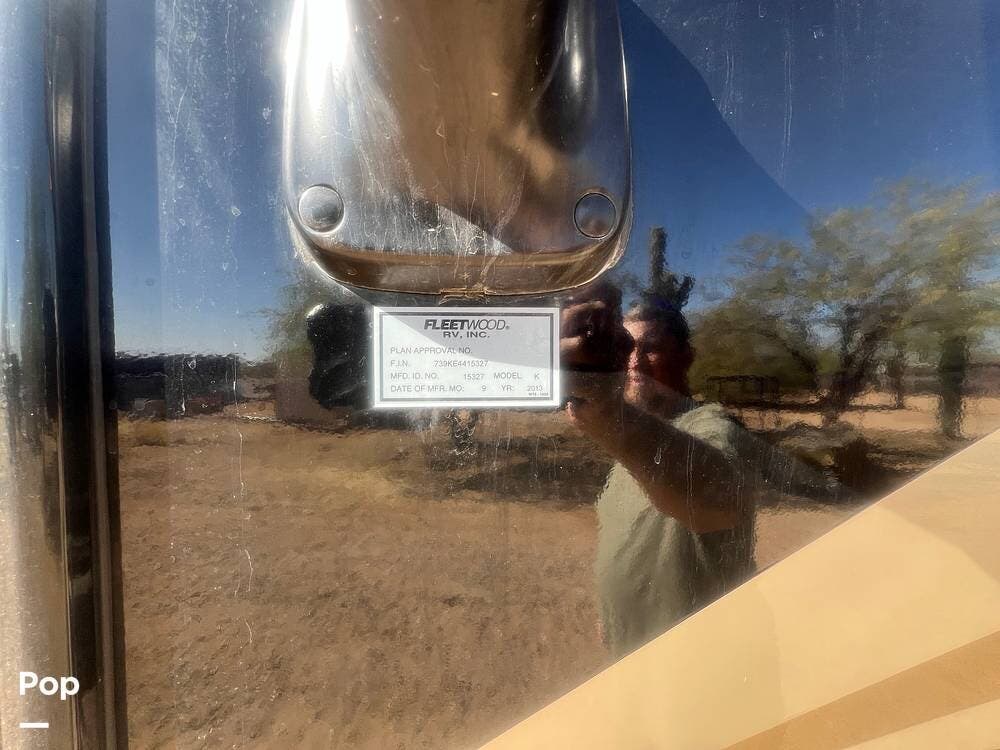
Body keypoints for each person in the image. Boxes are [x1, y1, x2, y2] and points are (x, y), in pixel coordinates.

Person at [561, 282, 759, 658]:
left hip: (700, 658)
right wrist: (612, 617)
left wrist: (604, 412)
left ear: (686, 356)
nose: (635, 362)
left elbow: (713, 500)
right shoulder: (639, 437)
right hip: (633, 657)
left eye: (651, 347)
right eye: (626, 348)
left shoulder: (713, 426)